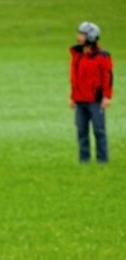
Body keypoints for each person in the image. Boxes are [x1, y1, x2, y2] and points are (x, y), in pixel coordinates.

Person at [70, 21, 114, 163]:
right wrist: (72, 96)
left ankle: (102, 159)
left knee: (99, 131)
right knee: (81, 132)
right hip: (80, 99)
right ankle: (84, 160)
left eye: (82, 34)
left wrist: (107, 96)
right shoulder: (77, 55)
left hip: (95, 100)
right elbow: (75, 78)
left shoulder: (102, 56)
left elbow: (108, 76)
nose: (79, 36)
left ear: (91, 36)